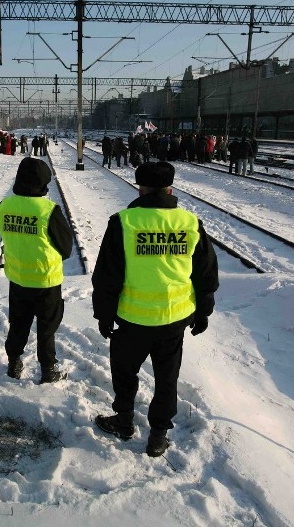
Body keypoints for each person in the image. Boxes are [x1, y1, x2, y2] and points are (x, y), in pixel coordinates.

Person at [91, 161, 219, 458]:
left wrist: (104, 313)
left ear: (141, 188)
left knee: (124, 372)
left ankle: (124, 421)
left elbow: (107, 275)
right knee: (167, 377)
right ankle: (158, 435)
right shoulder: (189, 222)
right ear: (170, 189)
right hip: (173, 319)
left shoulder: (123, 222)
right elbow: (205, 272)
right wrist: (204, 310)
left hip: (132, 319)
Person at [0, 159, 73, 384]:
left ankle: (13, 362)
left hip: (18, 279)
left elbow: (4, 233)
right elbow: (66, 247)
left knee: (18, 323)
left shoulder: (4, 206)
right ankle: (48, 369)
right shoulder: (48, 210)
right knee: (47, 328)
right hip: (46, 281)